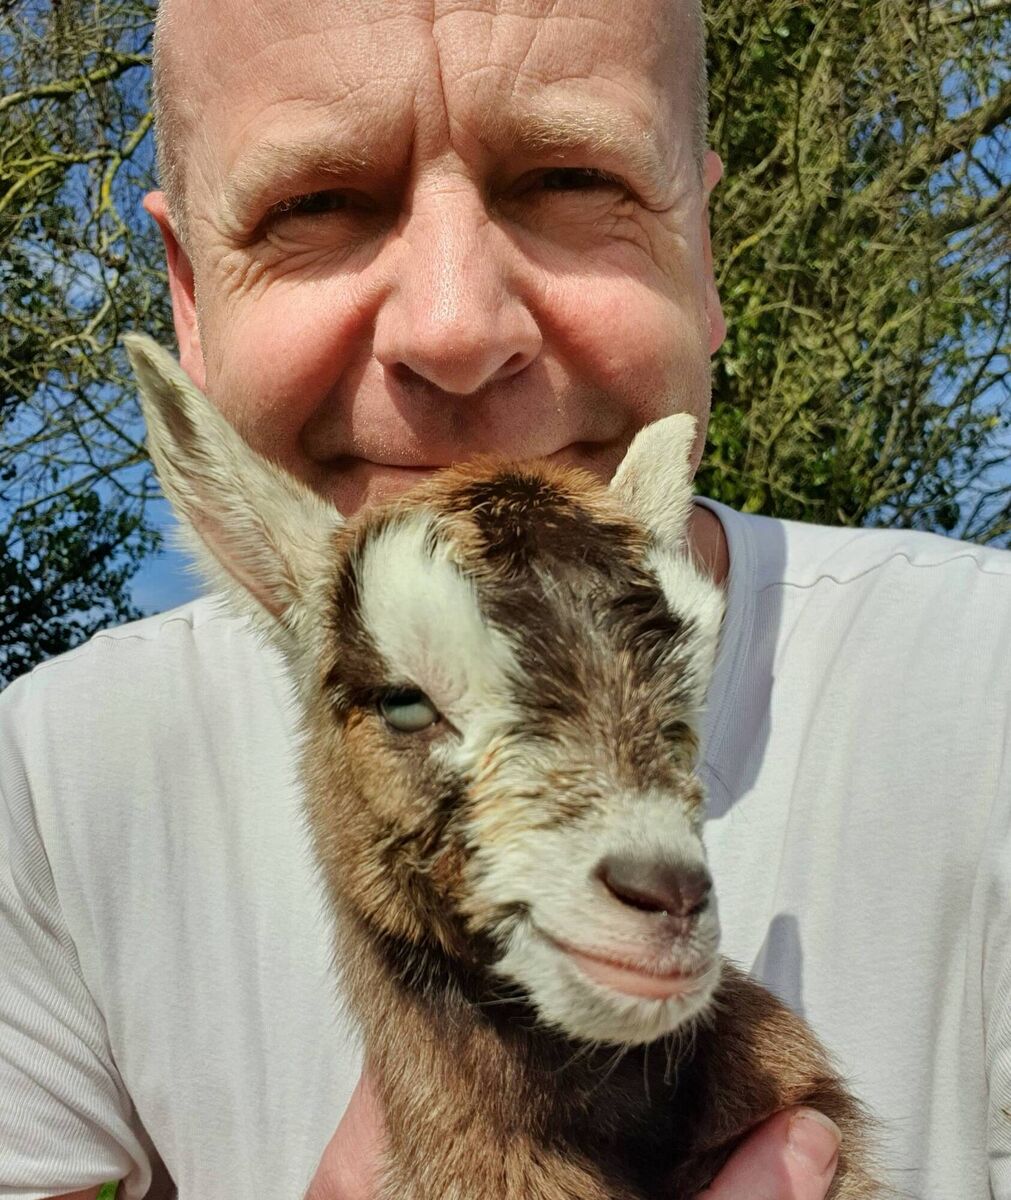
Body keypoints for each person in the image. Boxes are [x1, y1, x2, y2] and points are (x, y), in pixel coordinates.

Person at [1, 0, 1008, 1197]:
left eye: (572, 179)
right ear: (188, 295)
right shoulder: (52, 779)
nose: (455, 329)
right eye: (315, 207)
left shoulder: (986, 688)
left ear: (703, 248)